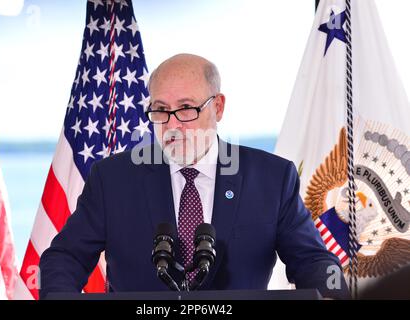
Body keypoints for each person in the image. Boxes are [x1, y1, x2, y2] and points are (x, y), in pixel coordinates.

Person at [39, 53, 350, 300]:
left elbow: (311, 261)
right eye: (160, 109)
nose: (173, 124)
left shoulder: (272, 178)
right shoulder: (113, 179)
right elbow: (64, 257)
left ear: (218, 106)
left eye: (186, 108)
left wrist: (331, 294)